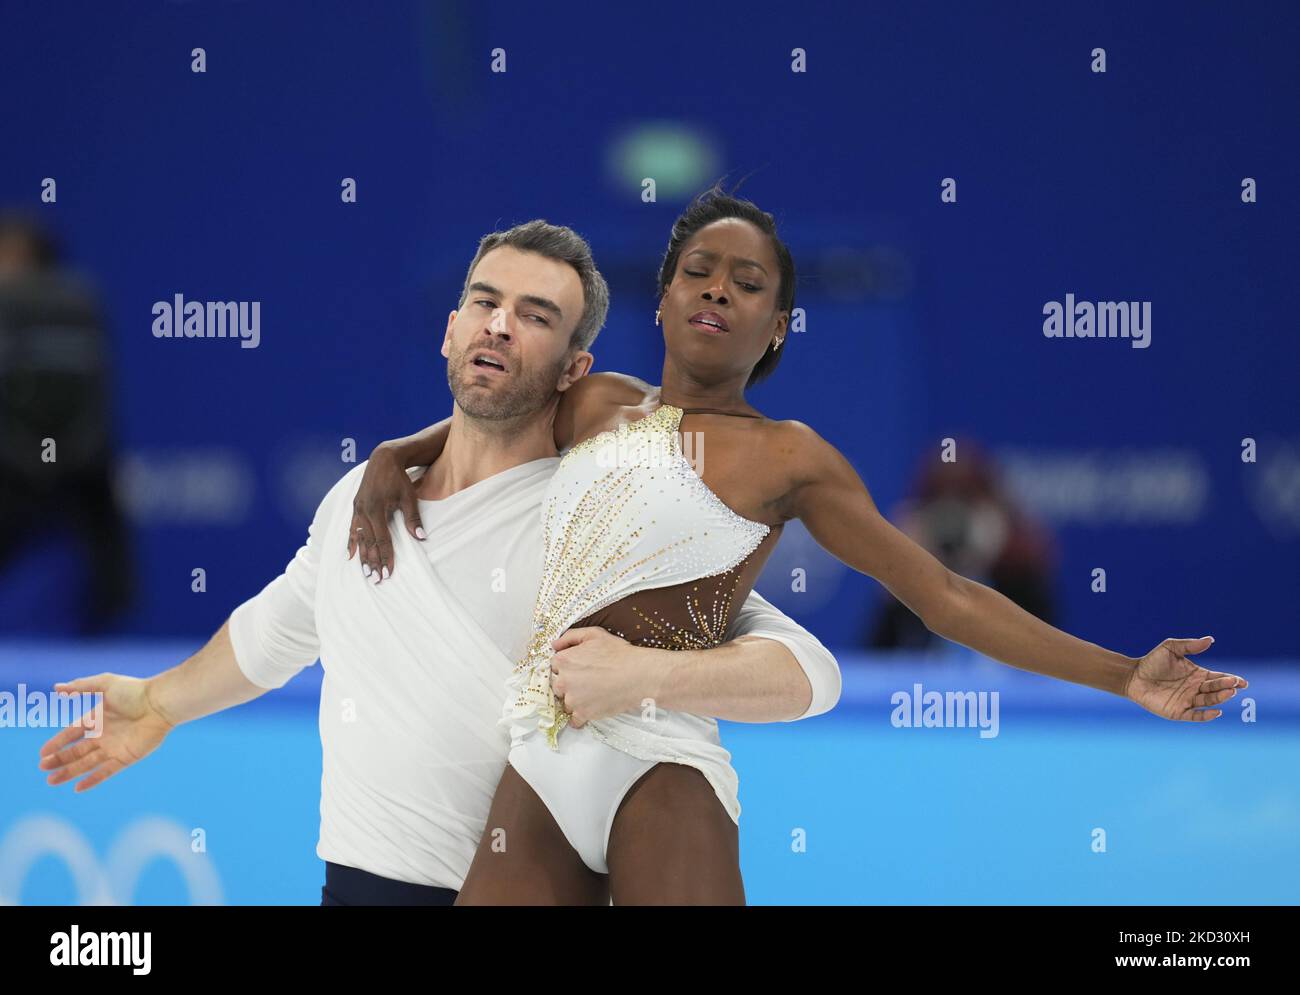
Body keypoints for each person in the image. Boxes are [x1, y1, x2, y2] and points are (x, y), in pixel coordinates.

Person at [350, 185, 1249, 905]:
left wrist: (1124, 673)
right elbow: (486, 410)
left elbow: (947, 596)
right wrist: (398, 454)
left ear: (777, 328)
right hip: (539, 760)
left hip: (660, 768)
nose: (717, 290)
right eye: (699, 271)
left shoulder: (790, 456)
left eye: (747, 285)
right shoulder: (591, 404)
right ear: (662, 297)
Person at [36, 219, 842, 907]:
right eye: (486, 302)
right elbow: (276, 631)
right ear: (450, 328)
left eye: (534, 316)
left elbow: (803, 668)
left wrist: (648, 674)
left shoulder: (606, 520)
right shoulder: (360, 494)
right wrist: (159, 702)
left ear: (573, 371)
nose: (498, 325)